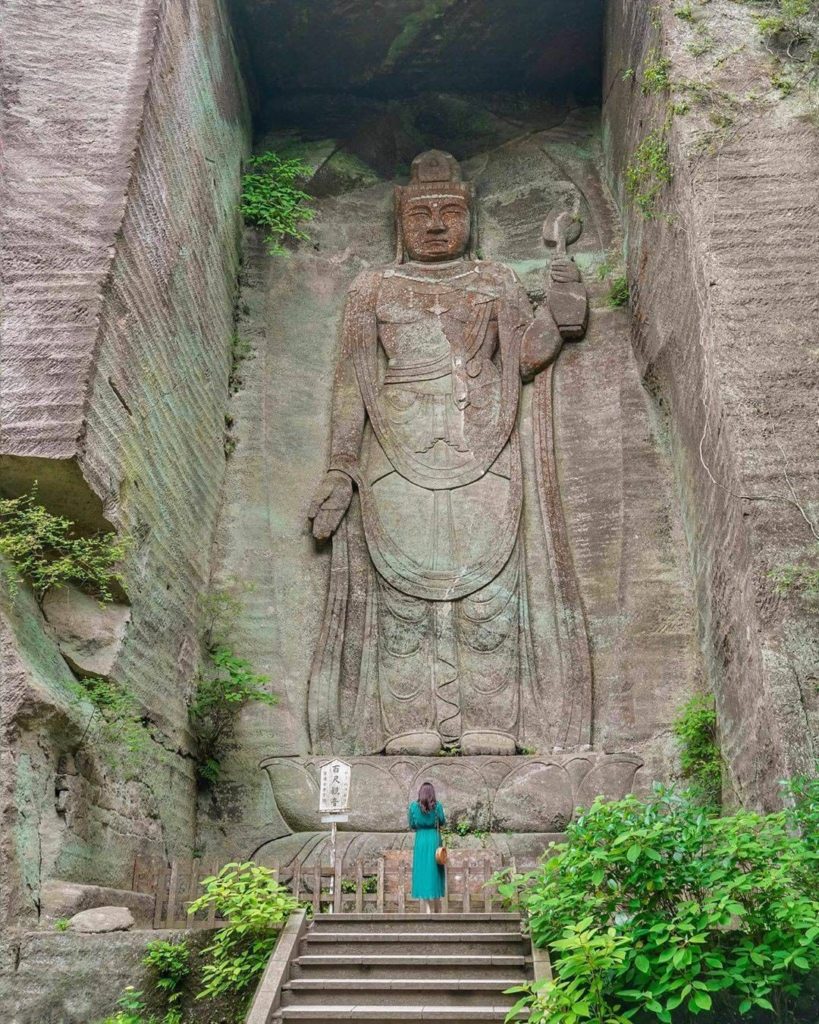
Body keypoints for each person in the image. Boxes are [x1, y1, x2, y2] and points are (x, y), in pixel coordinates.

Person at [408, 781, 446, 912]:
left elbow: (412, 824)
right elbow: (442, 821)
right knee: (435, 870)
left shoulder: (413, 806)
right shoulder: (437, 806)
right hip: (434, 839)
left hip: (421, 840)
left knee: (422, 871)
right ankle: (436, 906)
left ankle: (428, 907)